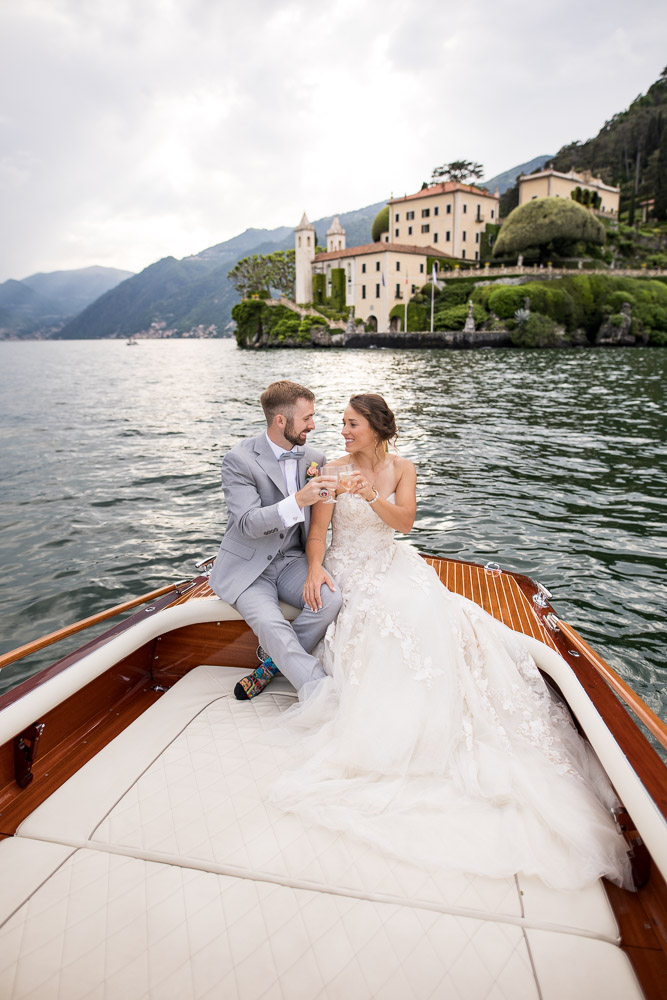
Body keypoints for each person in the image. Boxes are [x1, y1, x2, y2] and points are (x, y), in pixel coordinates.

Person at [266, 393, 632, 891]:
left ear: (375, 428)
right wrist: (314, 568)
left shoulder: (402, 468)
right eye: (342, 424)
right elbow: (319, 535)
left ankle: (449, 710)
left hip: (391, 561)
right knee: (385, 615)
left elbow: (404, 524)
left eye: (352, 424)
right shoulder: (329, 468)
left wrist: (370, 495)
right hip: (348, 567)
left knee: (433, 611)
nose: (344, 431)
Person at [208, 380, 342, 700]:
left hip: (292, 560)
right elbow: (247, 523)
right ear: (280, 421)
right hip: (249, 567)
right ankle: (320, 694)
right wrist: (298, 500)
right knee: (270, 623)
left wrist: (314, 566)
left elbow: (318, 523)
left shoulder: (316, 458)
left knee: (330, 600)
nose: (313, 424)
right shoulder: (238, 460)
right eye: (307, 418)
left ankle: (269, 667)